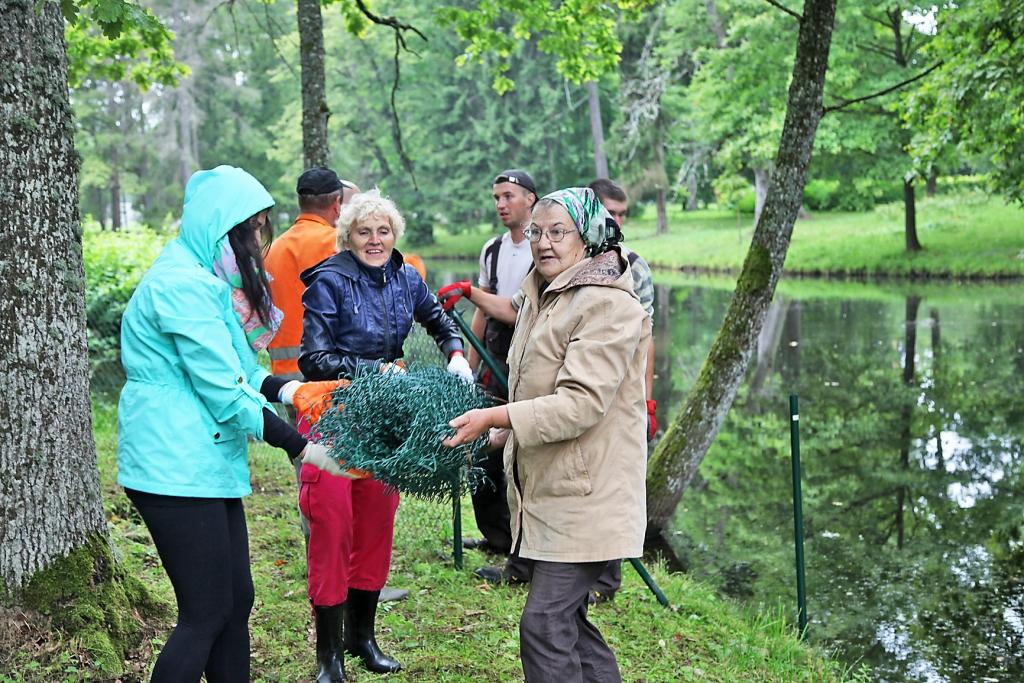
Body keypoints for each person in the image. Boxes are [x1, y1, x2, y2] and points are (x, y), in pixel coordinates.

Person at [116, 165, 352, 682]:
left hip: (201, 462)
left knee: (234, 600)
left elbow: (243, 368)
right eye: (248, 231)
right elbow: (224, 392)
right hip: (172, 465)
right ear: (217, 228)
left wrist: (292, 390)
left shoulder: (205, 281)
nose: (255, 242)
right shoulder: (181, 287)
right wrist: (302, 447)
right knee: (204, 613)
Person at [443, 187, 650, 683]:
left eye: (559, 232)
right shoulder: (543, 294)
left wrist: (496, 418)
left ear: (589, 237)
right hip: (553, 491)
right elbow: (537, 391)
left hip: (589, 496)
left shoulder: (606, 306)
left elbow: (578, 405)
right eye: (537, 231)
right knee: (568, 623)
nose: (544, 243)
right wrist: (492, 439)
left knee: (544, 624)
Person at [297, 188, 473, 680]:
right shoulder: (329, 281)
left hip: (386, 415)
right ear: (347, 236)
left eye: (383, 231)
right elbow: (313, 359)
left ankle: (362, 637)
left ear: (395, 234)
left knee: (377, 522)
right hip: (334, 412)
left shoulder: (406, 276)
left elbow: (439, 320)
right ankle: (328, 656)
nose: (375, 240)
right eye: (364, 232)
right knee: (332, 528)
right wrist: (372, 370)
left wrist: (455, 352)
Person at [440, 169, 537, 583]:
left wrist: (468, 292)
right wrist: (469, 366)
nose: (501, 204)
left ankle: (526, 547)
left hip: (531, 359)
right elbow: (482, 312)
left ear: (531, 199)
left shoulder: (544, 247)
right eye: (496, 196)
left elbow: (517, 311)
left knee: (522, 453)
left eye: (509, 196)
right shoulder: (492, 250)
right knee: (482, 450)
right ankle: (496, 535)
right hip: (494, 358)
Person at [587, 178, 658, 604]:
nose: (616, 221)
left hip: (618, 396)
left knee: (612, 485)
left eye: (622, 214)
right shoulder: (564, 258)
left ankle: (606, 583)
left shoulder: (635, 267)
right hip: (574, 391)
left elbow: (645, 341)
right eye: (609, 212)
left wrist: (647, 403)